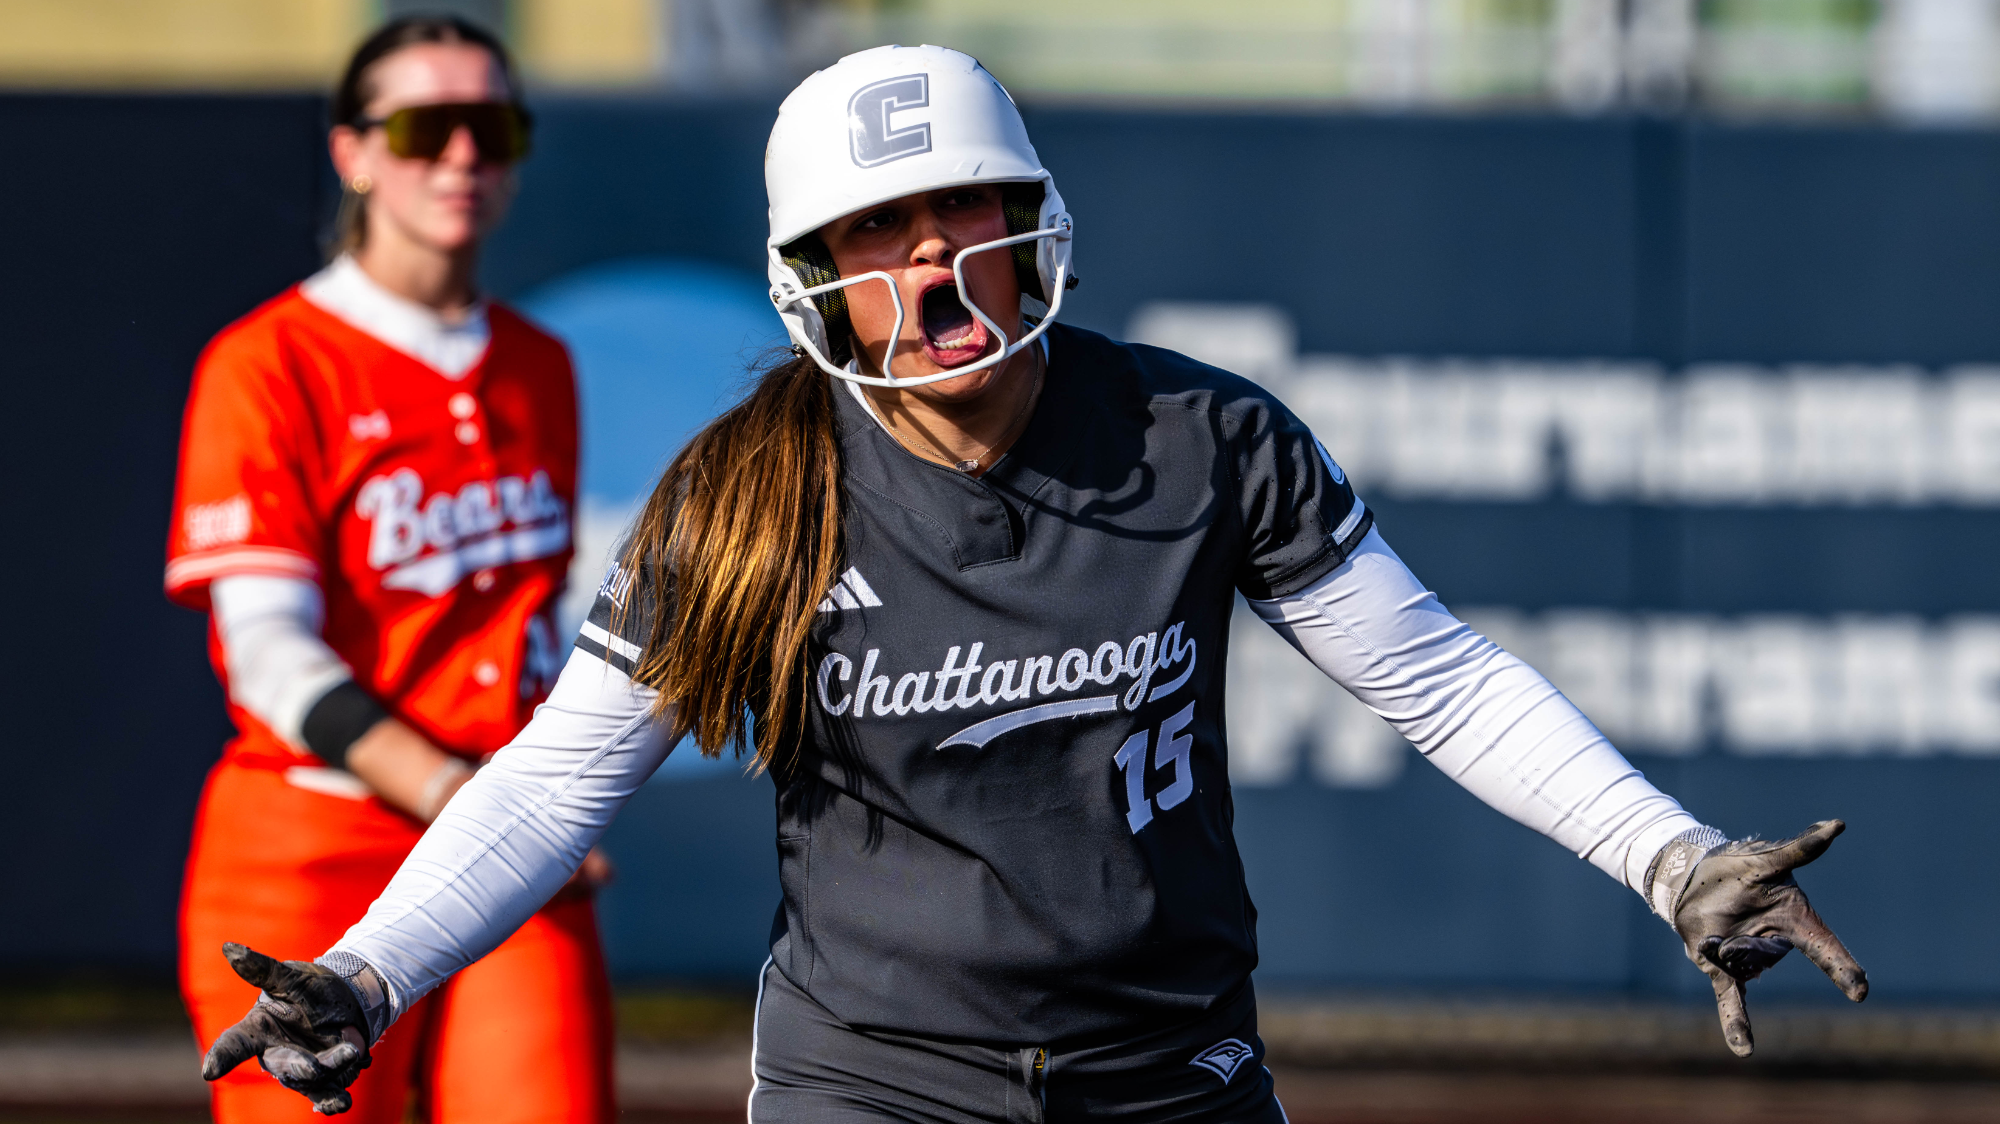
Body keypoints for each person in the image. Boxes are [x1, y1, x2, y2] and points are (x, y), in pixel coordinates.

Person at [198, 44, 1866, 1122]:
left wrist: (1669, 851)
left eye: (965, 212)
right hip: (878, 1075)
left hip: (1171, 1063)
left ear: (1032, 221)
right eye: (881, 230)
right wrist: (371, 968)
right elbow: (561, 776)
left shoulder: (1200, 434)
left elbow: (1434, 675)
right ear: (819, 282)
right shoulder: (750, 493)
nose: (931, 262)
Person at [168, 16, 613, 1124]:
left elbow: (536, 628)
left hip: (504, 833)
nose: (461, 155)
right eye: (423, 127)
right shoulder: (267, 359)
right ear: (352, 152)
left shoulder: (538, 365)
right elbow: (266, 653)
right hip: (316, 842)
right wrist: (460, 794)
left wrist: (545, 794)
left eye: (492, 127)